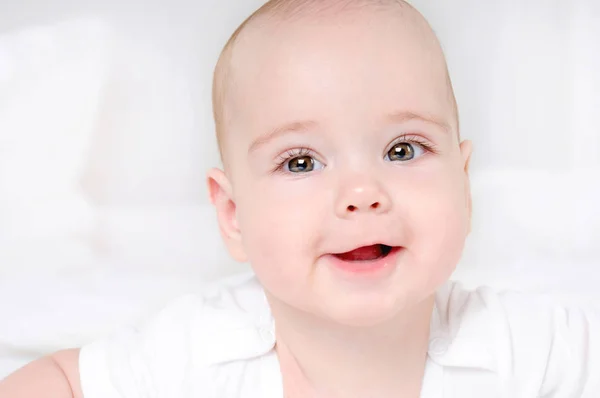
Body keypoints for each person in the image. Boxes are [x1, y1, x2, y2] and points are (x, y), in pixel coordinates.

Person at [1, 0, 599, 397]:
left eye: (403, 150)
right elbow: (66, 381)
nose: (362, 195)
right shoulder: (200, 354)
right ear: (233, 217)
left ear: (464, 186)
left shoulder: (528, 347)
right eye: (301, 162)